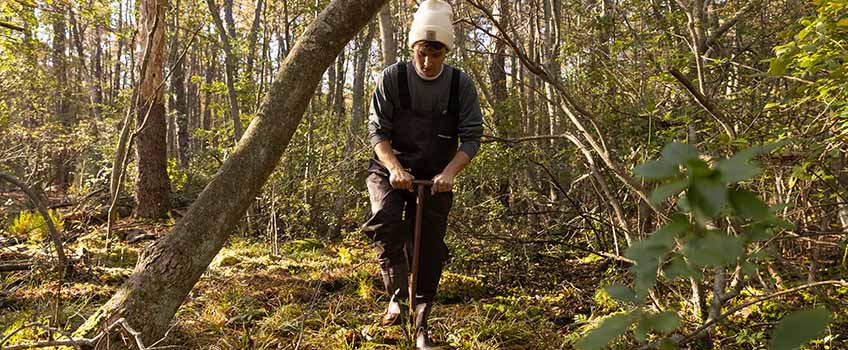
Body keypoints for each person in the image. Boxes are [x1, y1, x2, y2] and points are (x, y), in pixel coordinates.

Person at [362, 0, 483, 348]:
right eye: (421, 54)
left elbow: (472, 137)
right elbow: (377, 134)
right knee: (385, 221)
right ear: (412, 48)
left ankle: (422, 319)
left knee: (428, 245)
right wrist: (395, 168)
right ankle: (396, 300)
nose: (428, 63)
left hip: (436, 174)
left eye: (436, 55)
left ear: (445, 52)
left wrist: (449, 173)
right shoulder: (392, 78)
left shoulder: (460, 85)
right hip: (390, 168)